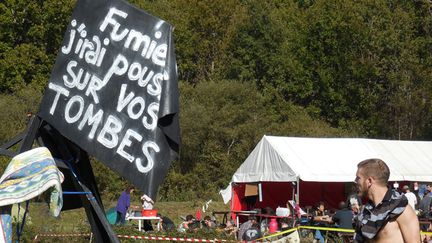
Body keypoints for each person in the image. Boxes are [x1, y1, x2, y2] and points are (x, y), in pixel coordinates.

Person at [353, 158, 419, 242]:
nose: (355, 181)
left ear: (369, 181)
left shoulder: (402, 209)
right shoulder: (365, 212)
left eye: (358, 178)